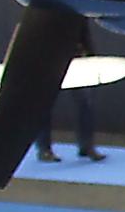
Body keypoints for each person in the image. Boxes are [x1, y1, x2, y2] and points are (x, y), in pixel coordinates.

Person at [37, 24, 105, 164]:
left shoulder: (77, 10)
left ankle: (86, 146)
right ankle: (44, 149)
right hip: (50, 60)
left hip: (77, 60)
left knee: (85, 104)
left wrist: (91, 57)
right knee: (44, 105)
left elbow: (84, 33)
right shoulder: (45, 10)